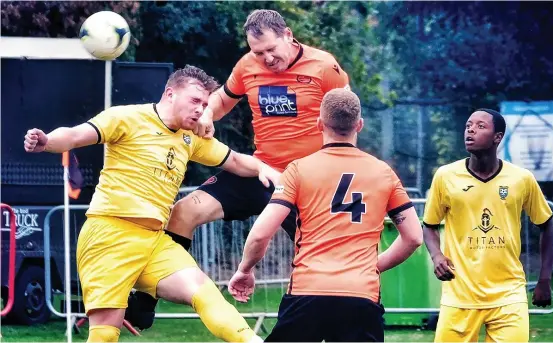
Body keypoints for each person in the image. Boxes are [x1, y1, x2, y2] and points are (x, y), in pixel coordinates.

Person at [126, 8, 352, 329]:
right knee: (183, 212)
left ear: (288, 35)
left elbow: (346, 122)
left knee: (313, 261)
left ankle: (307, 327)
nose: (267, 59)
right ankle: (143, 306)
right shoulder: (248, 65)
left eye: (272, 50)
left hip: (306, 182)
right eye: (258, 52)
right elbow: (221, 100)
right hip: (258, 173)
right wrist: (206, 115)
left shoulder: (325, 67)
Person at [23, 65, 279, 343]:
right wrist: (47, 141)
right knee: (105, 335)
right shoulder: (126, 118)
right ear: (170, 94)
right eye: (195, 101)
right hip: (109, 236)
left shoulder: (189, 138)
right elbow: (73, 136)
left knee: (204, 292)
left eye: (205, 104)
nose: (201, 110)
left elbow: (238, 161)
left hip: (153, 241)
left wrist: (267, 170)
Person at [228, 88, 424, 342]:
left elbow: (260, 234)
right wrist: (372, 267)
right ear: (360, 125)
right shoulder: (383, 173)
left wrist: (245, 270)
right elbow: (414, 238)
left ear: (319, 123)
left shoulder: (299, 169)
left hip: (308, 290)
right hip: (360, 294)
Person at [422, 109, 553, 343]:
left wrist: (544, 278)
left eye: (480, 126)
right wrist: (436, 256)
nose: (471, 130)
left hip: (508, 295)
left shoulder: (521, 179)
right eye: (468, 125)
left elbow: (547, 223)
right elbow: (430, 225)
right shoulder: (445, 176)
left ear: (498, 137)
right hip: (459, 295)